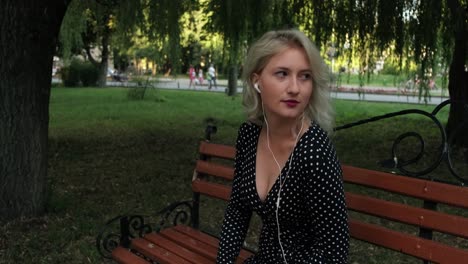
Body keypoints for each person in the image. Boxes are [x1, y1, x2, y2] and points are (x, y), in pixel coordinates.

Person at [216, 29, 349, 263]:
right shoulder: (249, 135)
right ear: (257, 81)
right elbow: (238, 211)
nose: (295, 88)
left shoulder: (314, 152)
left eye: (305, 76)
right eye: (282, 74)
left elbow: (333, 253)